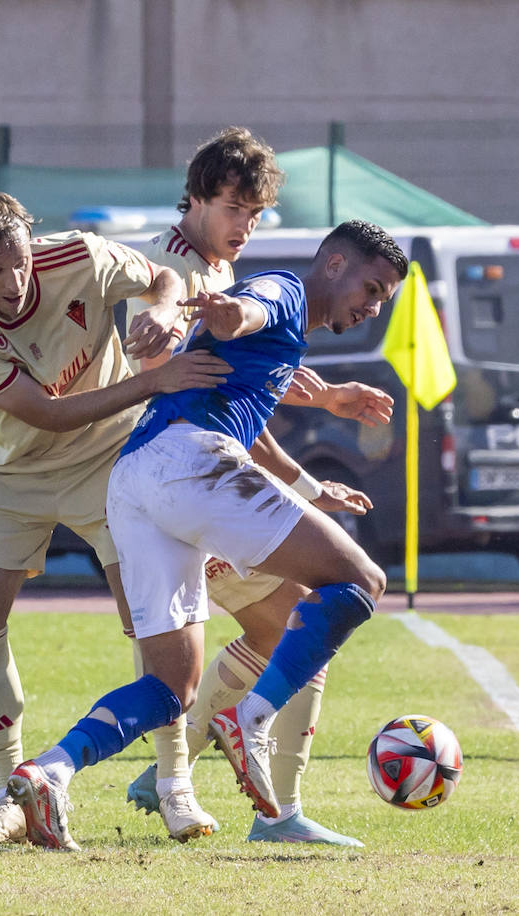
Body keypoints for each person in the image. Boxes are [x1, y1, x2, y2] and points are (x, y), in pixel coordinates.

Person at [6, 219, 408, 849]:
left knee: (171, 686)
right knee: (361, 581)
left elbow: (255, 413)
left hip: (136, 480)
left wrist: (311, 485)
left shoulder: (285, 338)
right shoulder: (286, 291)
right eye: (373, 287)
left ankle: (49, 770)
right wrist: (229, 314)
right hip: (191, 464)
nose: (373, 306)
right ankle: (251, 718)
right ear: (333, 264)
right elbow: (251, 310)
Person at [0, 188, 230, 844]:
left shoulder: (81, 257)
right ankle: (14, 797)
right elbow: (50, 413)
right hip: (17, 470)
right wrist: (155, 379)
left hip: (113, 460)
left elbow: (165, 277)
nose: (14, 280)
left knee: (151, 623)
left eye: (20, 262)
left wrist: (166, 314)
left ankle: (176, 786)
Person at [120, 127, 394, 846]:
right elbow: (201, 366)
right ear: (200, 197)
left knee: (293, 631)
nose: (247, 225)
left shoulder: (218, 272)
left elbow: (247, 390)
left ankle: (178, 774)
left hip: (177, 473)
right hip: (167, 480)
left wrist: (319, 425)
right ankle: (260, 803)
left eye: (257, 213)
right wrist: (180, 324)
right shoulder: (168, 270)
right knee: (312, 619)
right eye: (236, 207)